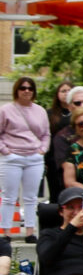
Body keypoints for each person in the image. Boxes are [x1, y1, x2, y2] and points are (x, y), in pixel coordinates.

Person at [1, 76, 49, 240]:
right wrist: (6, 151)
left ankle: (30, 231)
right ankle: (6, 231)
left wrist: (42, 150)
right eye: (23, 88)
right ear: (17, 90)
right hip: (12, 157)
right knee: (9, 196)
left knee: (31, 197)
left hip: (34, 157)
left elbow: (46, 134)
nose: (27, 91)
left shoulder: (40, 111)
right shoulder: (6, 110)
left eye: (30, 88)